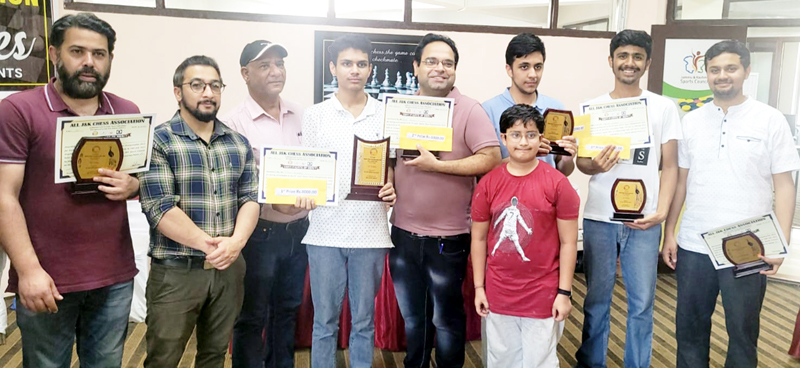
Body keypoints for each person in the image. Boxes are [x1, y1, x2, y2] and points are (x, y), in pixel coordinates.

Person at [0, 13, 139, 368]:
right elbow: (4, 196)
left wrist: (133, 184)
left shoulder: (126, 112)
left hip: (114, 276)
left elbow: (139, 182)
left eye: (100, 53)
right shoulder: (19, 110)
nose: (89, 62)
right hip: (47, 277)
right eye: (77, 51)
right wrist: (28, 270)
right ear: (54, 54)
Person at [662, 40, 800, 368]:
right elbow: (681, 182)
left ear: (746, 72)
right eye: (714, 70)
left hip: (748, 245)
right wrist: (670, 233)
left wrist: (780, 244)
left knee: (742, 331)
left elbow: (785, 185)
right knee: (690, 329)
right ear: (706, 74)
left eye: (730, 68)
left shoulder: (770, 120)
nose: (722, 75)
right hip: (694, 244)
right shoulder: (691, 121)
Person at [138, 55, 260, 368]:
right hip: (176, 272)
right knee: (163, 359)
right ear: (178, 92)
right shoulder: (158, 141)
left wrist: (236, 243)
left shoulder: (237, 142)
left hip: (228, 269)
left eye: (215, 85)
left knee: (214, 356)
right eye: (197, 85)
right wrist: (212, 246)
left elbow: (249, 198)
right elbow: (160, 207)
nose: (208, 93)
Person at [390, 33, 501, 368]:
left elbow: (491, 158)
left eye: (447, 63)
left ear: (455, 70)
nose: (440, 69)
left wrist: (440, 166)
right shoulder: (401, 108)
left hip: (449, 238)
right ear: (416, 67)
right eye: (432, 61)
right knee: (413, 318)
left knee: (446, 321)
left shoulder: (469, 109)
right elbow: (387, 160)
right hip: (403, 235)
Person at [574, 29, 681, 368]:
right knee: (596, 300)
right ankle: (592, 362)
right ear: (611, 61)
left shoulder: (663, 107)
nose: (629, 63)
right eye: (623, 56)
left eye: (637, 57)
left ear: (647, 63)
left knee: (641, 303)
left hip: (644, 221)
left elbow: (671, 166)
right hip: (599, 218)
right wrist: (595, 163)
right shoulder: (591, 109)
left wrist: (662, 213)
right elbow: (582, 163)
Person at [299, 34, 396, 368]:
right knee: (324, 323)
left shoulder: (386, 115)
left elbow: (391, 168)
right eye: (346, 63)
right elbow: (309, 169)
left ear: (370, 68)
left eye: (361, 64)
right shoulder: (315, 115)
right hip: (324, 231)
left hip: (370, 232)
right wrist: (304, 190)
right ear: (332, 68)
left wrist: (391, 188)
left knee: (364, 322)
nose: (354, 70)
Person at [471, 104, 579, 368]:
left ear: (541, 140)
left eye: (531, 135)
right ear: (503, 138)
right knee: (502, 359)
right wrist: (479, 288)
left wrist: (563, 293)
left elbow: (568, 243)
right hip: (499, 290)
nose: (523, 142)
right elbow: (479, 239)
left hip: (542, 292)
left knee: (538, 360)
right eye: (516, 134)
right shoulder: (488, 183)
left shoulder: (557, 184)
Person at [223, 40, 308, 368]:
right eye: (265, 65)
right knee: (251, 317)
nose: (276, 71)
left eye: (280, 63)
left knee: (286, 313)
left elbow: (314, 168)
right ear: (245, 74)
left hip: (299, 232)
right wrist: (275, 202)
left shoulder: (302, 114)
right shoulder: (233, 123)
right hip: (259, 235)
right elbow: (233, 185)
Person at [482, 33, 577, 175]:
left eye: (538, 67)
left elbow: (563, 172)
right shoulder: (487, 110)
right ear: (509, 69)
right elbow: (485, 170)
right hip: (505, 194)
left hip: (547, 193)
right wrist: (526, 153)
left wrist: (567, 158)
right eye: (524, 67)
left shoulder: (556, 109)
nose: (533, 74)